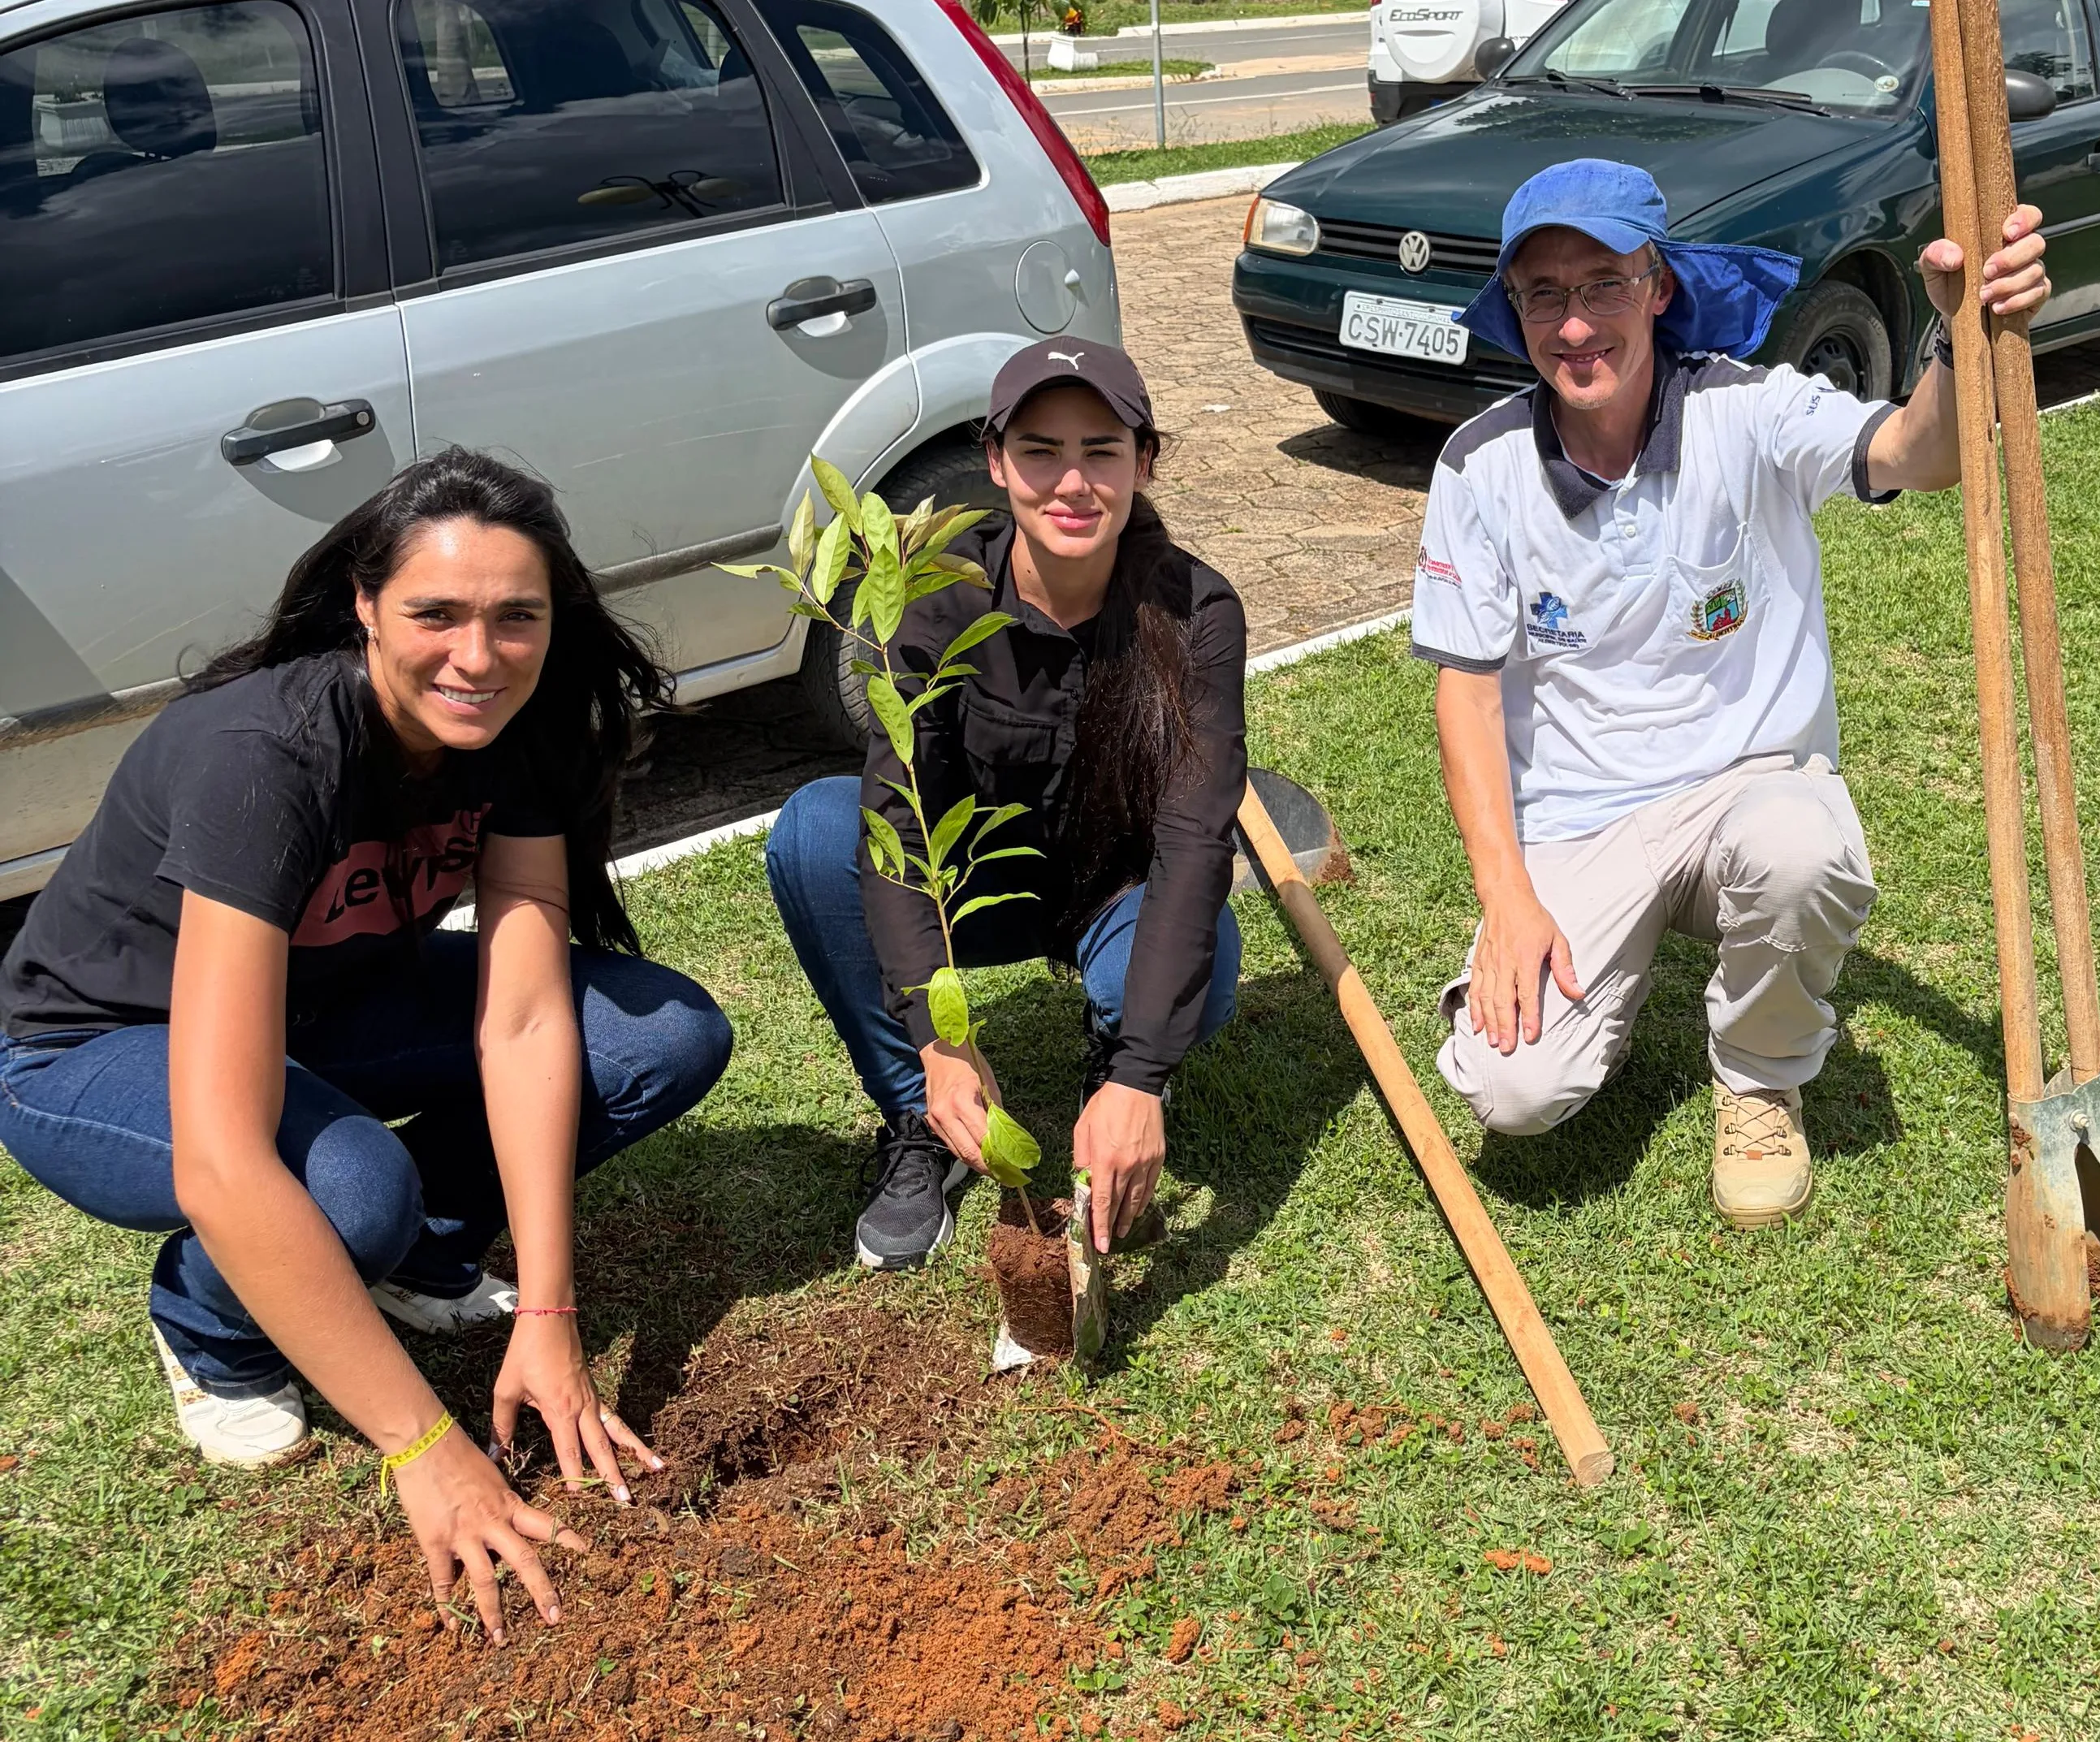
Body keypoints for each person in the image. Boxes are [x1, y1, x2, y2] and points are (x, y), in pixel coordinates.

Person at [0, 451, 733, 1639]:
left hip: (331, 1006)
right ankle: (210, 1326)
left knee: (659, 1037)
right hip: (91, 1043)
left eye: (515, 618)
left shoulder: (520, 724)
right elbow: (225, 1155)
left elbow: (530, 1013)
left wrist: (550, 1315)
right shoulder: (265, 756)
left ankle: (408, 1257)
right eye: (434, 614)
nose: (477, 656)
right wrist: (428, 1448)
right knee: (341, 1188)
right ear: (362, 604)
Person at [1410, 159, 2050, 1226]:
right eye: (1545, 295)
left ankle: (1760, 1079)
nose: (1576, 325)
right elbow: (1466, 697)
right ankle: (1527, 969)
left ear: (1660, 287)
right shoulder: (1481, 468)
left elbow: (1916, 453)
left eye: (1604, 285)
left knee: (1804, 849)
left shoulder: (1749, 412)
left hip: (1748, 789)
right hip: (1579, 821)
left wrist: (1958, 335)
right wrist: (1510, 902)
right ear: (1514, 310)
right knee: (1513, 1091)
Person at [766, 339, 1246, 1268]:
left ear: (1144, 462)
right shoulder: (939, 603)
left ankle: (1114, 1063)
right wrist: (940, 1039)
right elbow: (898, 819)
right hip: (972, 889)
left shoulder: (1195, 611)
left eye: (1102, 450)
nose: (1072, 482)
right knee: (818, 833)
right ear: (995, 462)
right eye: (1040, 450)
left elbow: (1193, 842)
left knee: (1207, 963)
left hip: (1114, 889)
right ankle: (917, 1114)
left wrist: (1142, 1075)